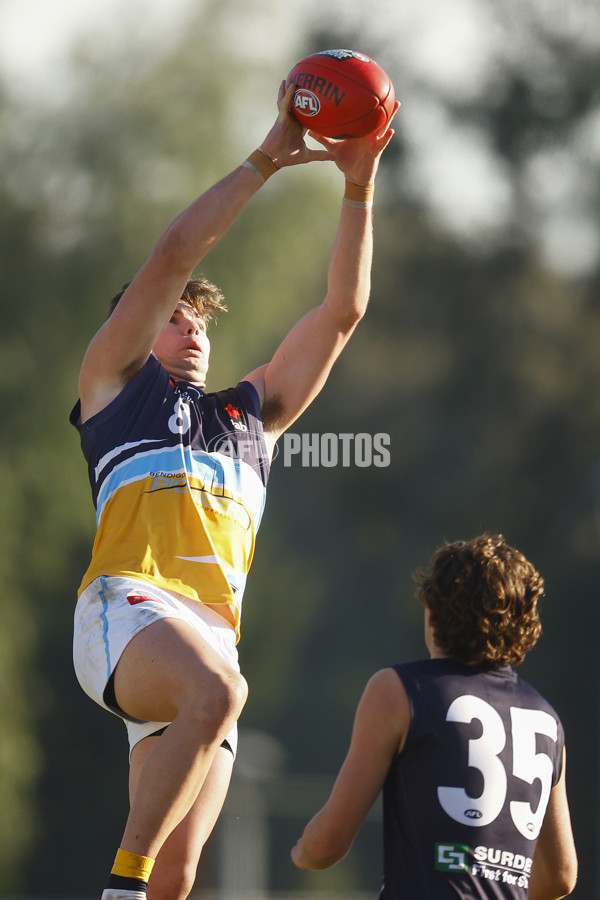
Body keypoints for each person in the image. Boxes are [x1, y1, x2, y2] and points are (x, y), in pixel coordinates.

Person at [70, 77, 399, 900]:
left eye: (205, 321)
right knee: (219, 699)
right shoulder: (114, 383)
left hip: (206, 642)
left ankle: (137, 884)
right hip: (127, 611)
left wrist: (359, 182)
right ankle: (118, 885)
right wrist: (266, 158)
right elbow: (174, 255)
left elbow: (343, 310)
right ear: (139, 332)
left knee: (178, 881)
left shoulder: (255, 416)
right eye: (179, 317)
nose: (195, 328)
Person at [291, 534, 578, 899]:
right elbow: (561, 876)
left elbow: (326, 846)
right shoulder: (546, 719)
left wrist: (303, 851)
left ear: (433, 613)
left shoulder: (400, 690)